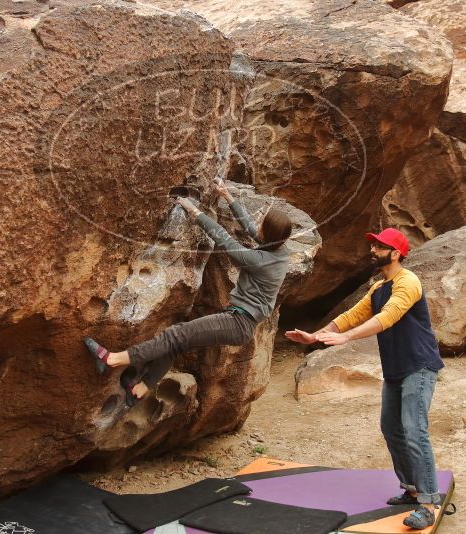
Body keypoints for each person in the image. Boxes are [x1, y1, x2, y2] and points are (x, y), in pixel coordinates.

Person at [285, 228, 445, 530]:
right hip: (397, 368)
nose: (372, 250)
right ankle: (411, 489)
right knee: (391, 428)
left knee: (414, 429)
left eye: (380, 246)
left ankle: (427, 502)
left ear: (395, 253)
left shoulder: (407, 282)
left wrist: (346, 338)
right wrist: (316, 336)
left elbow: (388, 317)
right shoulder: (379, 287)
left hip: (419, 366)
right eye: (373, 245)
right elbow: (351, 315)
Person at [84, 180, 292, 408]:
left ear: (269, 233)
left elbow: (224, 239)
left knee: (175, 335)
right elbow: (253, 229)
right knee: (176, 344)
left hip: (239, 321)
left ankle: (112, 359)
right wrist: (228, 197)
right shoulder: (280, 250)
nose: (259, 225)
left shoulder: (260, 261)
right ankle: (138, 391)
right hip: (240, 322)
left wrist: (194, 212)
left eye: (264, 224)